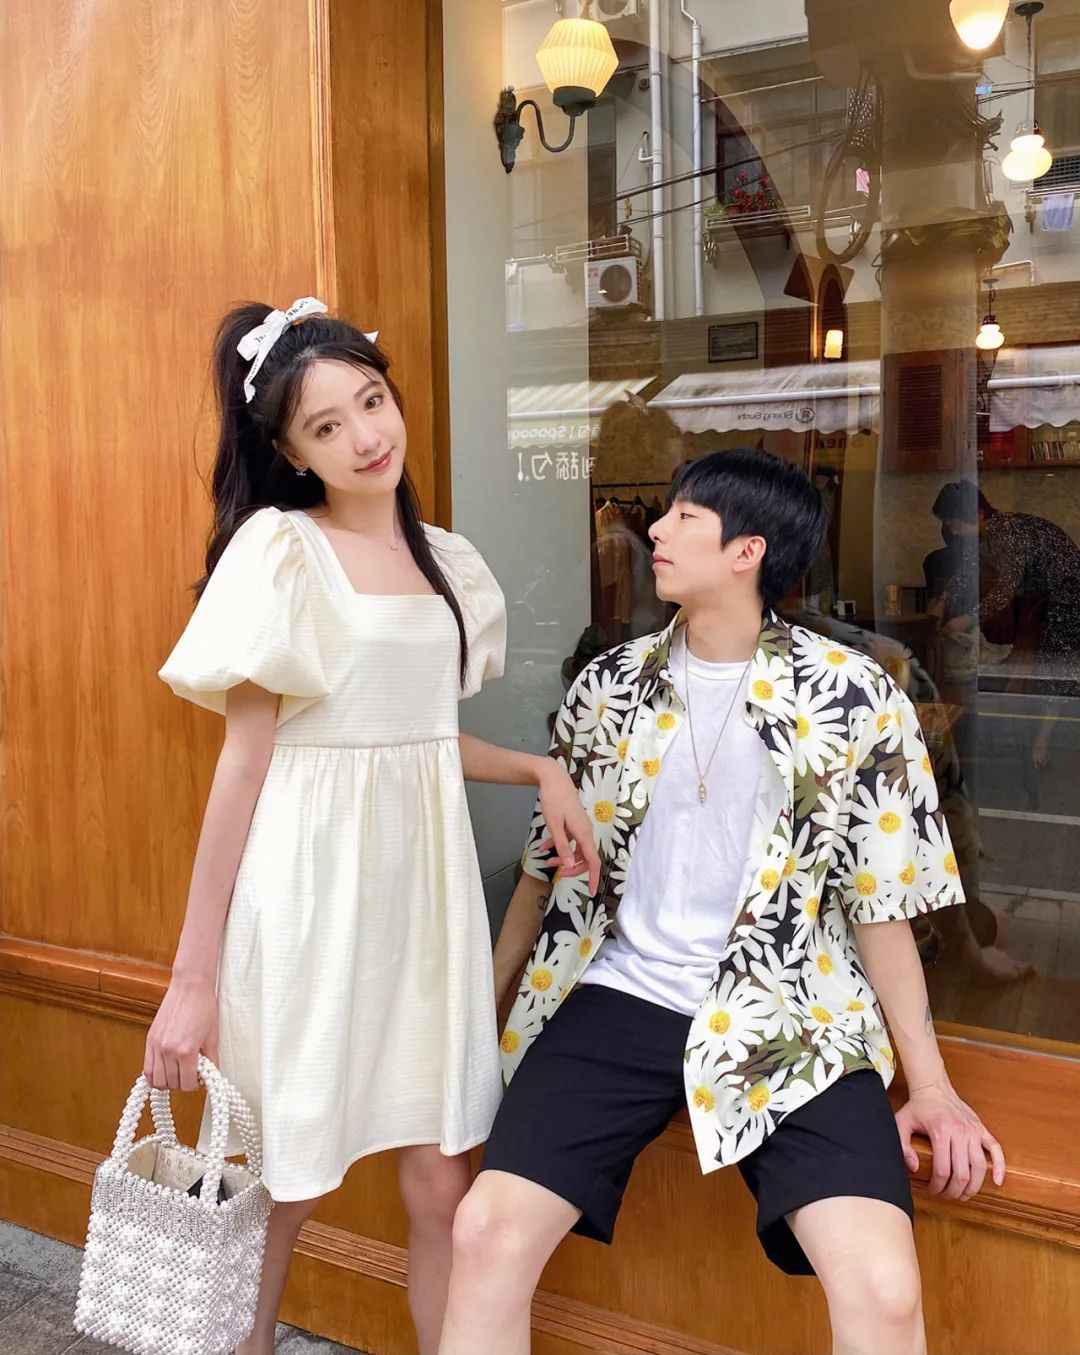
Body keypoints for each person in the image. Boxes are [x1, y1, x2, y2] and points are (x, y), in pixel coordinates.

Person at [439, 449, 1005, 1355]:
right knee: (483, 1233)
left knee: (885, 1289)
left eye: (684, 518)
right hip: (620, 991)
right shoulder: (607, 687)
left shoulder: (853, 695)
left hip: (792, 1003)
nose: (654, 530)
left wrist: (930, 1085)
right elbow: (548, 875)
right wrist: (484, 1013)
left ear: (748, 551)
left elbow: (882, 906)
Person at [146, 297, 599, 1355]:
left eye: (371, 401)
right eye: (327, 425)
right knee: (281, 1181)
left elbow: (418, 738)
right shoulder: (282, 550)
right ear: (291, 452)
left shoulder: (443, 558)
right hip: (312, 898)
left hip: (424, 907)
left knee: (444, 1177)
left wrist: (539, 767)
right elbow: (243, 766)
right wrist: (191, 978)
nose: (364, 436)